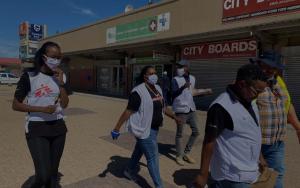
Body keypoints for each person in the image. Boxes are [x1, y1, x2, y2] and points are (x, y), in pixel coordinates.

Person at [193, 64, 268, 188]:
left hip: (250, 172)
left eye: (261, 92)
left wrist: (260, 158)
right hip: (232, 176)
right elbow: (209, 142)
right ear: (242, 84)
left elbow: (250, 133)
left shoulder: (251, 102)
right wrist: (203, 174)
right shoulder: (221, 106)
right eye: (257, 91)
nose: (258, 95)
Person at [111, 66, 181, 188]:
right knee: (153, 158)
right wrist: (116, 128)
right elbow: (128, 111)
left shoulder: (157, 88)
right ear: (145, 76)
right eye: (151, 73)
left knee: (139, 150)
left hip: (154, 129)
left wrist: (174, 116)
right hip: (143, 129)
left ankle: (128, 170)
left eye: (155, 73)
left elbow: (163, 107)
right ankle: (159, 186)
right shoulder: (138, 92)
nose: (154, 75)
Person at [12, 42, 70, 188]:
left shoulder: (60, 77)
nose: (57, 60)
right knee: (43, 175)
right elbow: (15, 105)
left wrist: (61, 84)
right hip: (37, 127)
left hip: (58, 127)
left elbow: (64, 104)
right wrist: (42, 109)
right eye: (54, 57)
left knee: (52, 175)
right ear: (44, 57)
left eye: (59, 57)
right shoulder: (30, 76)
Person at [251, 50, 300, 188]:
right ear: (258, 64)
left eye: (273, 67)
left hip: (276, 143)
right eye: (266, 66)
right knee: (252, 175)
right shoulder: (249, 83)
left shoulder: (278, 81)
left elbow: (287, 104)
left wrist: (298, 128)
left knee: (276, 174)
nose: (269, 70)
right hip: (256, 143)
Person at [172, 59, 212, 165]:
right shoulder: (175, 79)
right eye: (178, 66)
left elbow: (192, 93)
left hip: (191, 109)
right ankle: (179, 156)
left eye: (181, 66)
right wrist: (182, 88)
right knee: (179, 134)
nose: (178, 68)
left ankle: (186, 153)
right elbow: (173, 94)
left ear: (187, 67)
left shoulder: (193, 78)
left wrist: (204, 92)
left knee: (196, 132)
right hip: (180, 110)